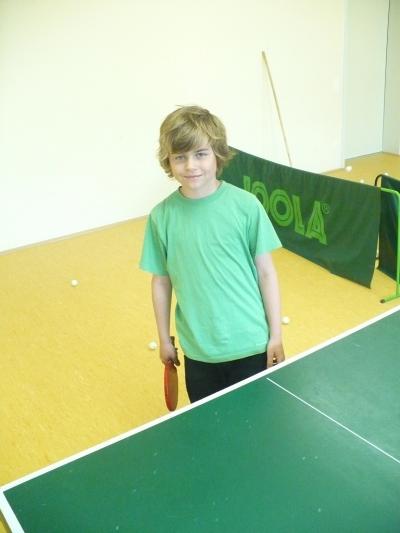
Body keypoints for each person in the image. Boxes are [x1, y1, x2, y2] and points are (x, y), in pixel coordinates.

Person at [140, 105, 285, 402]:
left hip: (250, 343)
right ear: (168, 161)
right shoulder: (160, 217)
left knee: (256, 420)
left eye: (200, 154)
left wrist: (276, 334)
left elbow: (266, 272)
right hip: (198, 351)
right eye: (180, 157)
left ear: (217, 154)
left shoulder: (246, 206)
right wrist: (164, 338)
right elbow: (161, 282)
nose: (191, 165)